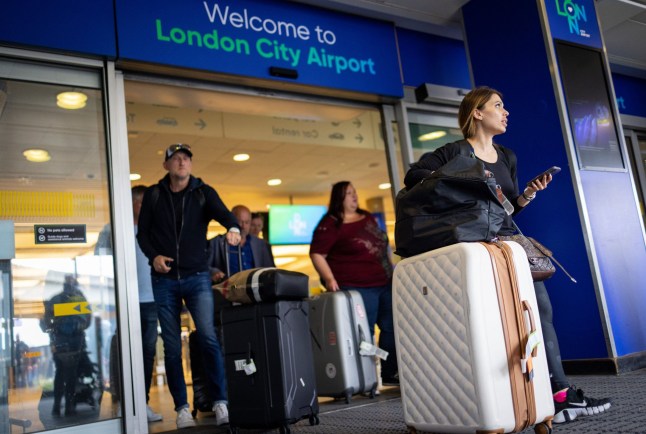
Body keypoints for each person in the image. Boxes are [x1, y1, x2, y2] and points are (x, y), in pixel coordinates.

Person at [404, 86, 611, 424]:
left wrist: (527, 194)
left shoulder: (507, 156)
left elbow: (507, 210)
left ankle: (558, 394)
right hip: (476, 249)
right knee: (493, 322)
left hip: (509, 244)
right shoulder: (454, 152)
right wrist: (463, 182)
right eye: (498, 106)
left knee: (538, 310)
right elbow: (414, 176)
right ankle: (502, 399)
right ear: (477, 113)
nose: (506, 112)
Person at [136, 143, 241, 429]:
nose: (182, 162)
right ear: (166, 165)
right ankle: (182, 408)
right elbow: (142, 234)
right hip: (164, 280)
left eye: (186, 158)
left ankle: (221, 402)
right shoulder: (155, 195)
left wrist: (233, 228)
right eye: (176, 159)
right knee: (171, 347)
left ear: (191, 165)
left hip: (197, 278)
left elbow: (225, 215)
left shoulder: (203, 193)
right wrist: (154, 256)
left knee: (207, 338)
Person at [309, 181, 398, 386]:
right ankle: (365, 377)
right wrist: (330, 279)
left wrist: (391, 269)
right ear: (339, 198)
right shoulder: (331, 223)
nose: (354, 196)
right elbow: (317, 254)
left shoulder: (366, 216)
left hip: (383, 282)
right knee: (363, 333)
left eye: (355, 192)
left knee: (390, 328)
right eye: (349, 193)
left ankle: (390, 371)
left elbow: (381, 245)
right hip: (357, 287)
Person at [95, 186, 164, 422]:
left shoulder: (155, 230)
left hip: (151, 300)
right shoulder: (114, 230)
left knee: (146, 354)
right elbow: (100, 263)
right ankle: (124, 402)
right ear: (134, 204)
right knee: (123, 352)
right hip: (124, 303)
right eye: (144, 203)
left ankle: (141, 403)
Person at [41, 274, 92, 417]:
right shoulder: (80, 298)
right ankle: (69, 406)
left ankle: (57, 406)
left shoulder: (55, 299)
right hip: (74, 341)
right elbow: (88, 320)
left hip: (60, 342)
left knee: (61, 373)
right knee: (70, 374)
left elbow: (46, 323)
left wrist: (53, 337)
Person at [208, 205, 275, 283]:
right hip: (226, 290)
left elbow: (271, 270)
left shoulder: (261, 244)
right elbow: (203, 266)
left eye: (247, 222)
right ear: (231, 221)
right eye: (240, 221)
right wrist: (214, 272)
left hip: (253, 290)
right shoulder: (216, 242)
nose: (243, 226)